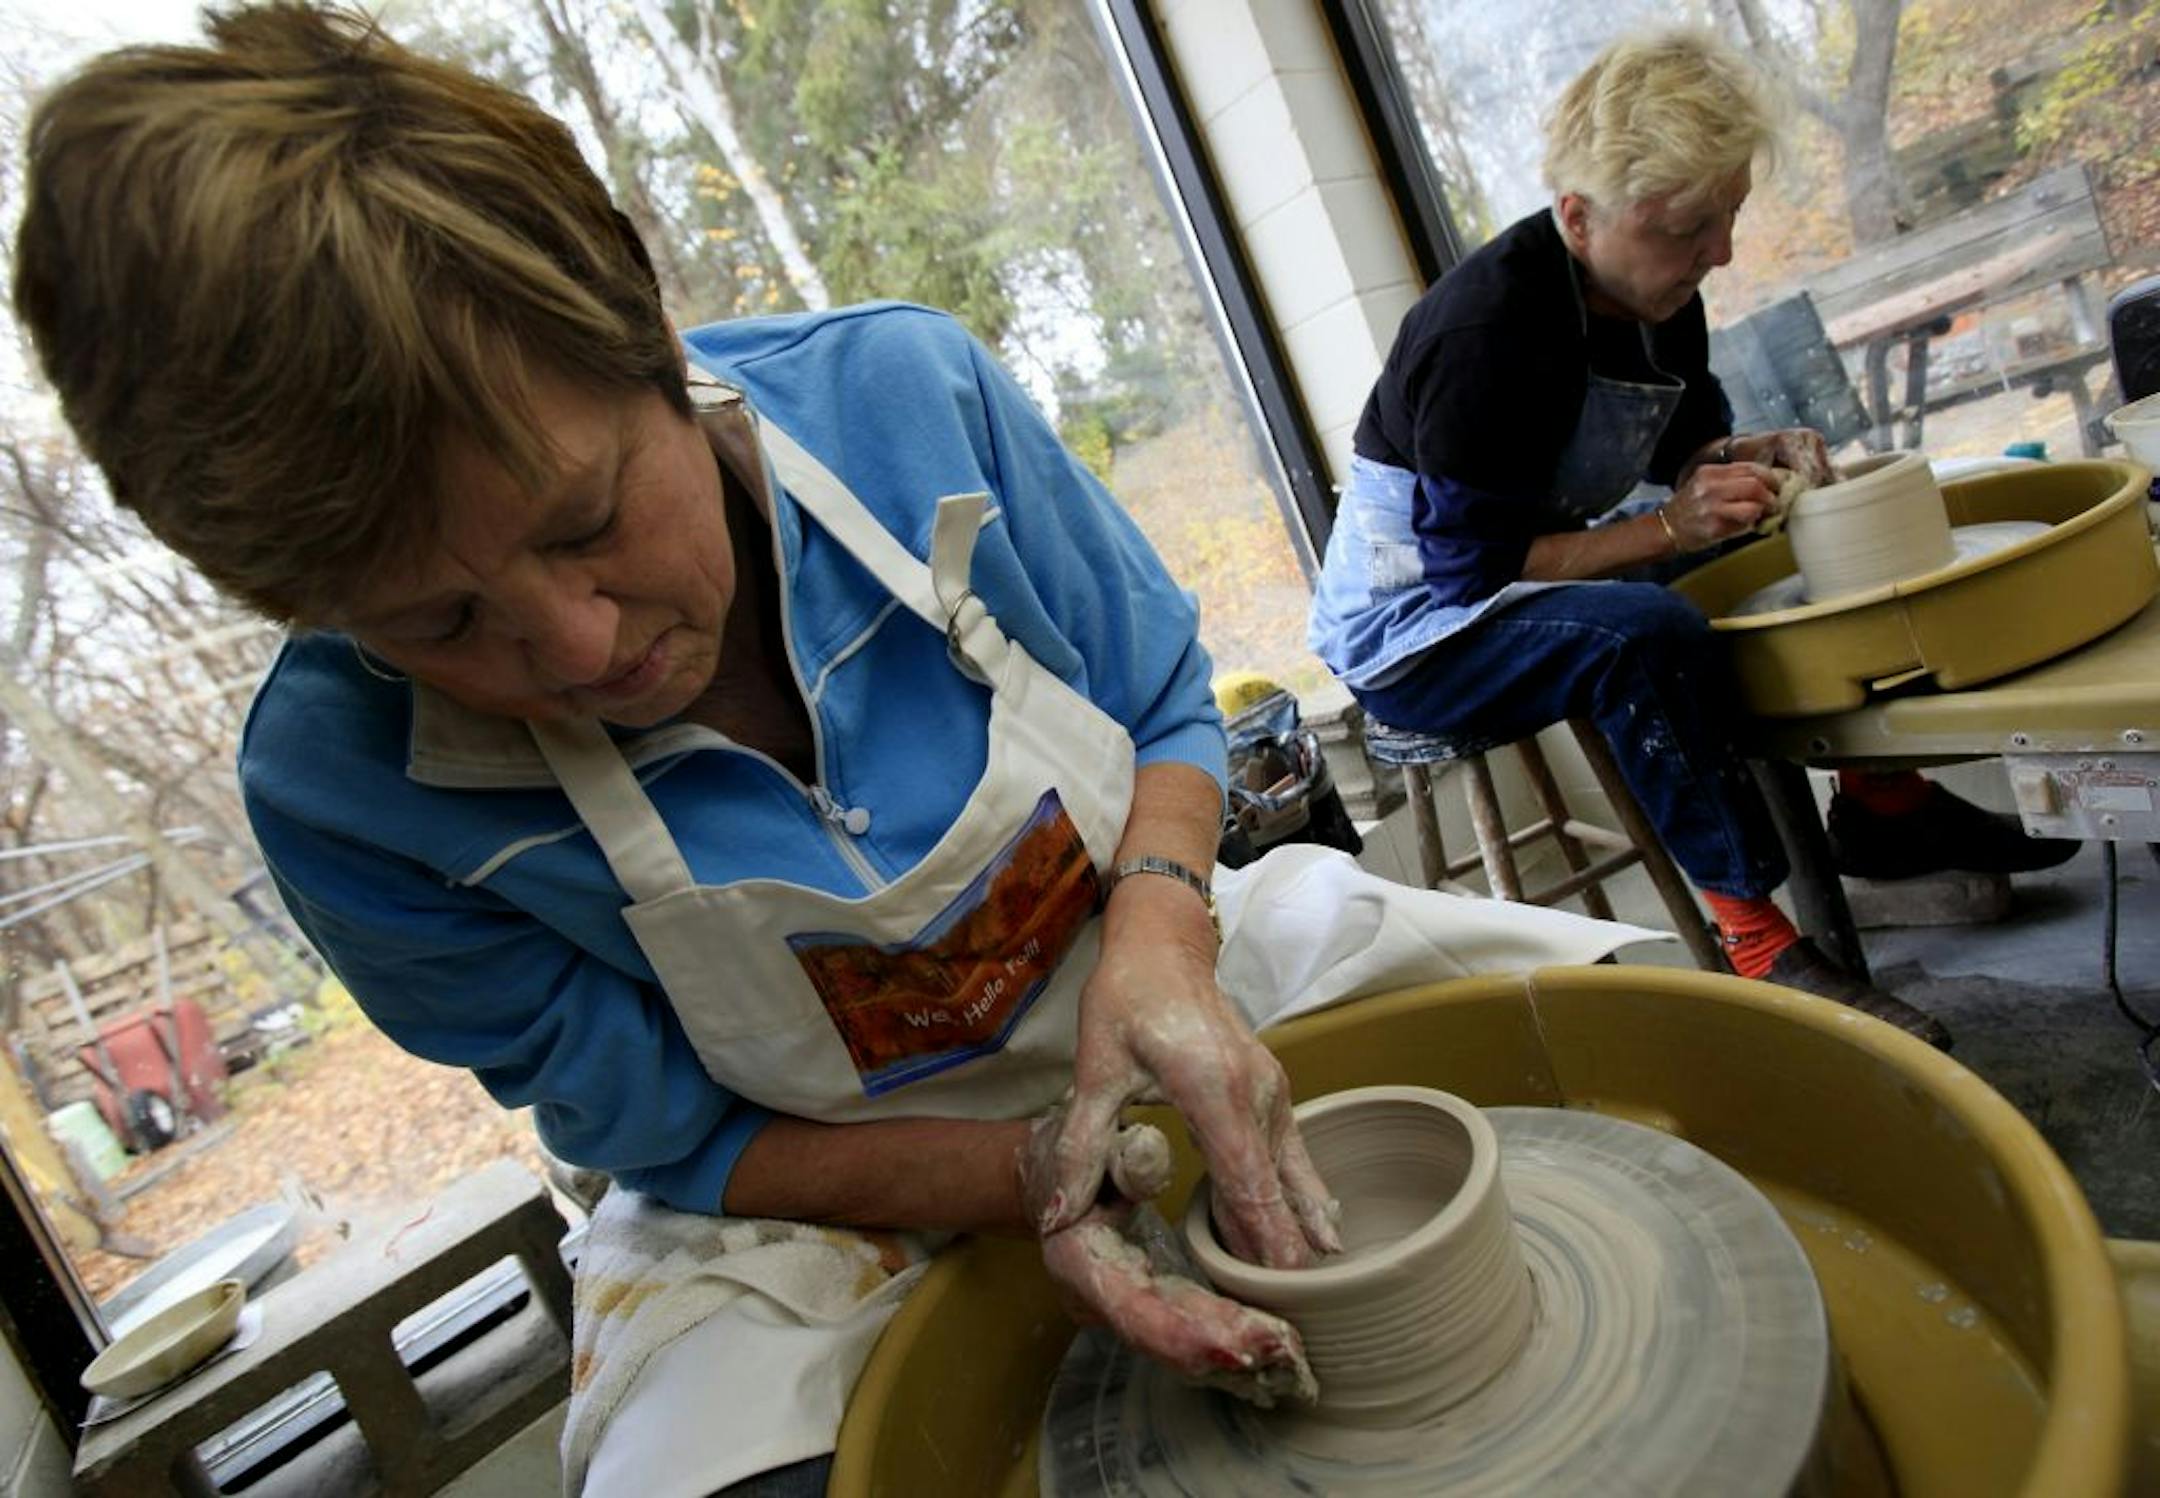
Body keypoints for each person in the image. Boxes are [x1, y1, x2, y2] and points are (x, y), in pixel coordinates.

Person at [11, 8, 1362, 1491]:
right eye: (443, 619)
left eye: (588, 521)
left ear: (651, 339)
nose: (582, 651)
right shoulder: (340, 788)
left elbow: (1164, 703)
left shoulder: (904, 402)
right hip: (814, 1191)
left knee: (1550, 1014)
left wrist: (1162, 930)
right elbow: (678, 1129)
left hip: (1173, 980)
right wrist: (1037, 1177)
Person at [1308, 29, 2076, 1054]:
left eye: (1728, 218)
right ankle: (1759, 939)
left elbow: (1682, 446)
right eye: (1686, 229)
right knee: (1643, 634)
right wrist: (1667, 529)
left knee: (1767, 532)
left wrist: (1741, 460)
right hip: (1415, 634)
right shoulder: (1481, 336)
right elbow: (1472, 569)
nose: (1718, 253)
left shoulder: (1658, 294)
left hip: (1511, 568)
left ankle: (1881, 806)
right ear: (1578, 218)